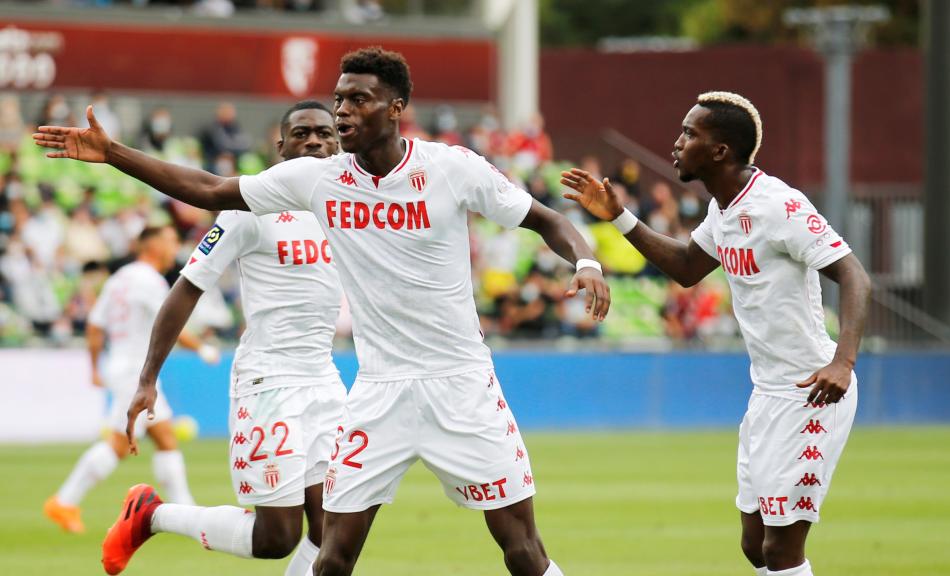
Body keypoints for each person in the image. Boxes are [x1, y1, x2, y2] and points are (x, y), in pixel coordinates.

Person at [34, 46, 610, 576]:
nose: (341, 112)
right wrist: (112, 154)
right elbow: (208, 189)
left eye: (356, 99)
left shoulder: (451, 168)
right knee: (326, 554)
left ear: (396, 107)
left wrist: (587, 263)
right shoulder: (317, 182)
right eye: (338, 99)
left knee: (522, 551)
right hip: (372, 391)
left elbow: (548, 219)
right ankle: (154, 515)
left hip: (459, 383)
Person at [560, 91, 871, 576]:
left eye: (690, 133)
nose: (677, 143)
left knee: (781, 552)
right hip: (768, 393)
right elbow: (687, 267)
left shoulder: (779, 205)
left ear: (721, 151)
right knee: (754, 544)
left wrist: (843, 363)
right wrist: (620, 217)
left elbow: (855, 276)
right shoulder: (723, 208)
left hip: (813, 391)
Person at [98, 101, 346, 576]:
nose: (314, 141)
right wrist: (148, 377)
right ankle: (151, 515)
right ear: (281, 147)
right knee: (276, 537)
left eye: (324, 133)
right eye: (302, 134)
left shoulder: (341, 207)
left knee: (331, 530)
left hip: (325, 383)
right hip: (269, 383)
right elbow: (187, 287)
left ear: (338, 143)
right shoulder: (251, 207)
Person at [43, 225, 220, 534]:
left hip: (125, 367)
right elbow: (170, 322)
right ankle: (64, 501)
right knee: (119, 444)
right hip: (136, 374)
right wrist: (203, 348)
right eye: (170, 240)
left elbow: (95, 326)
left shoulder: (119, 279)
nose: (174, 247)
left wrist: (95, 367)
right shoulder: (149, 280)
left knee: (165, 436)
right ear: (151, 246)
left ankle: (186, 511)